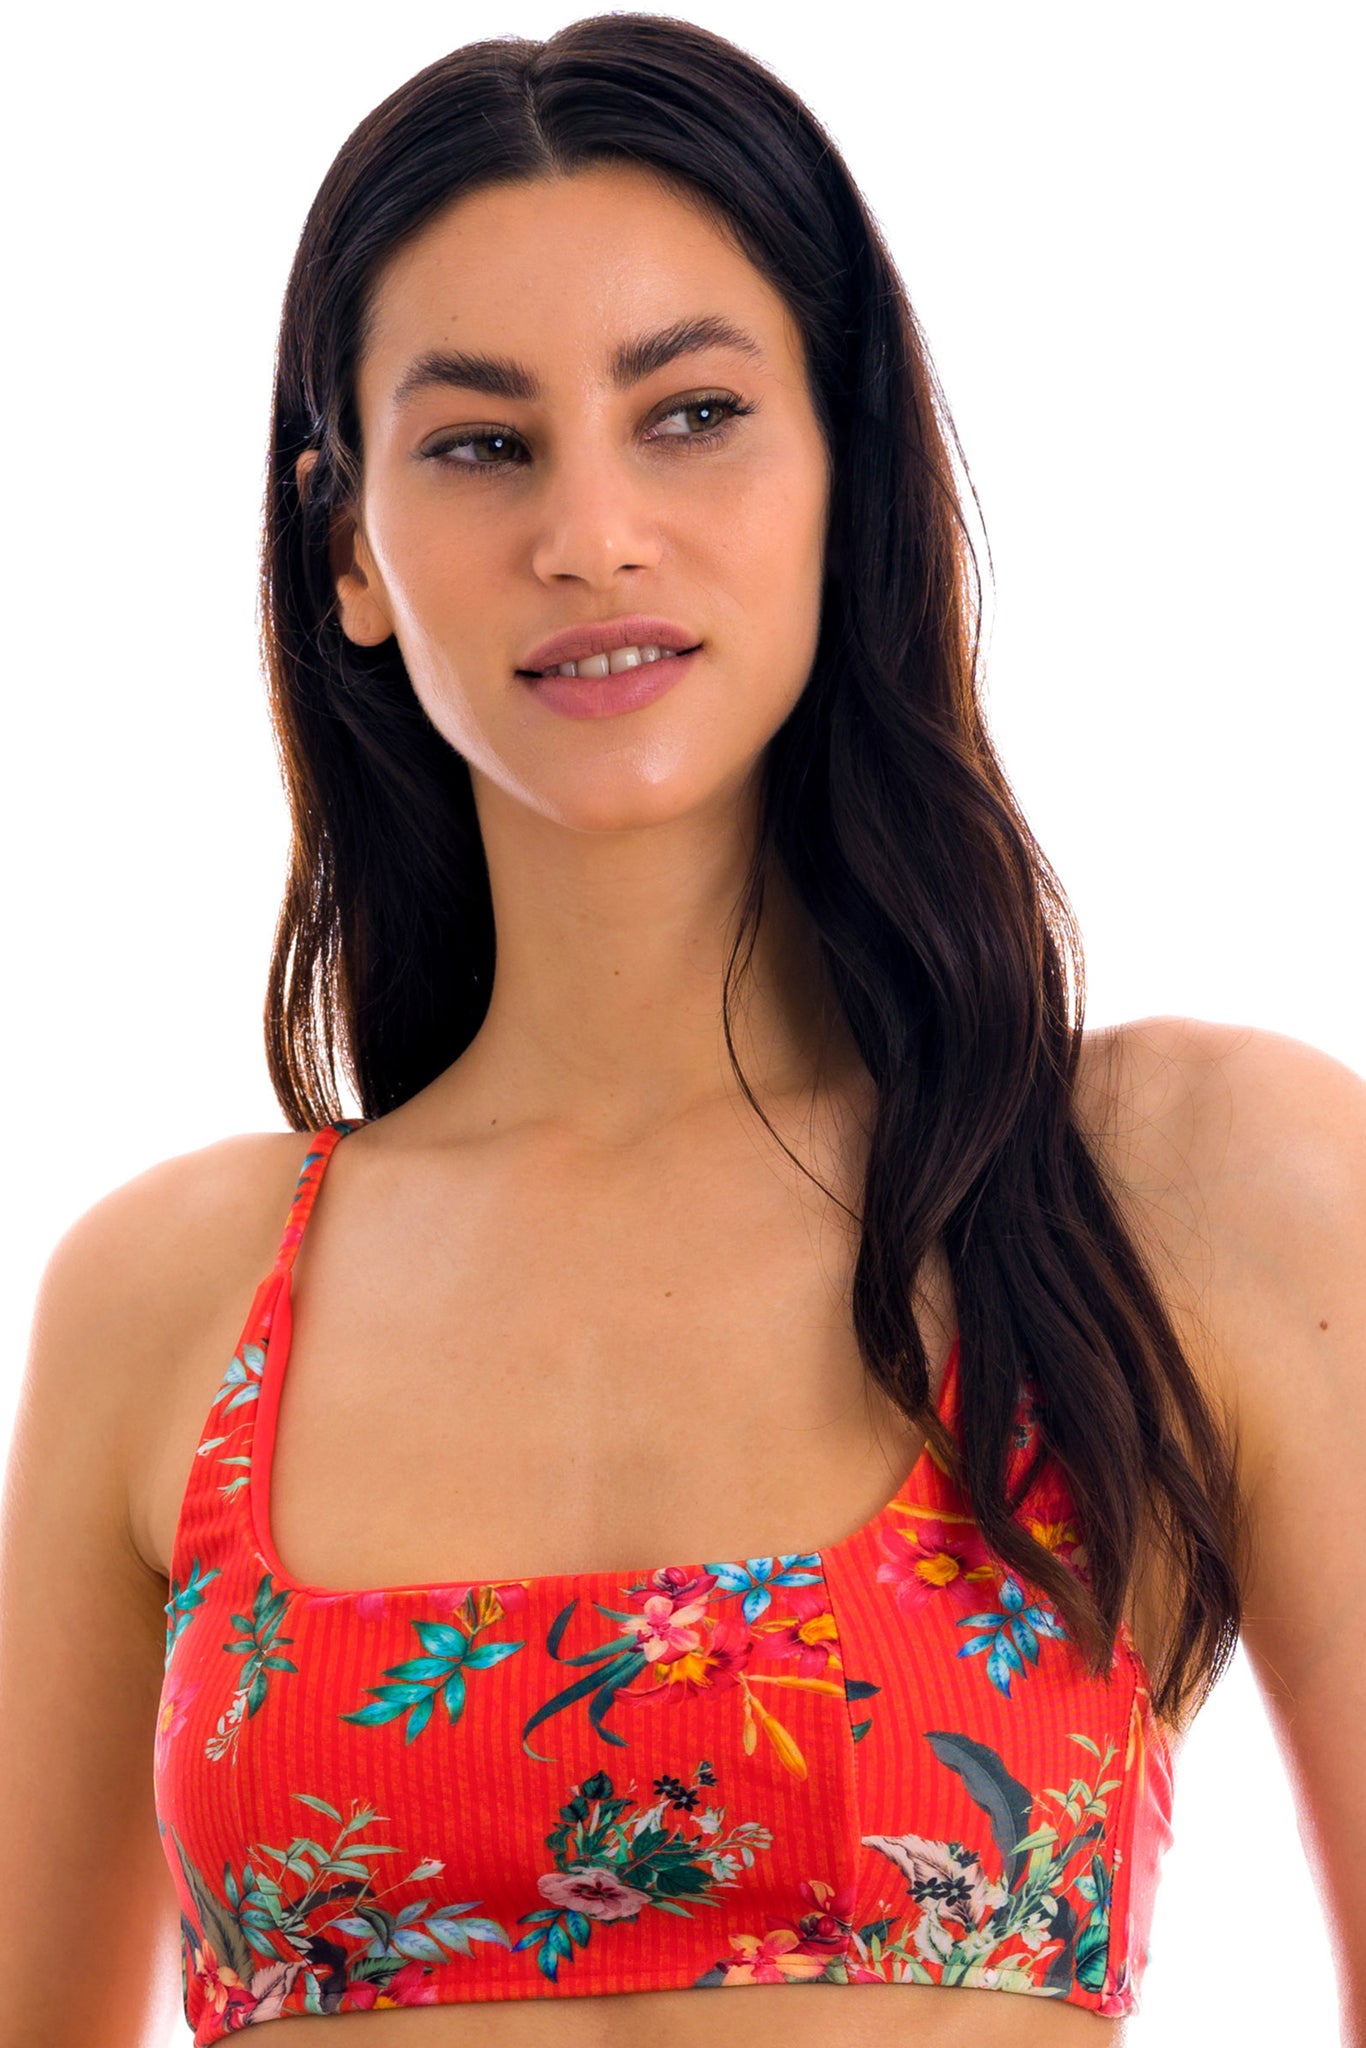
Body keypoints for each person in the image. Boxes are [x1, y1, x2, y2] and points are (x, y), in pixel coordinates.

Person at [2, 14, 1362, 2048]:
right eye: (481, 445)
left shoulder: (1176, 1185)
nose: (591, 532)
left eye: (693, 414)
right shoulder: (169, 1299)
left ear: (843, 471)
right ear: (351, 548)